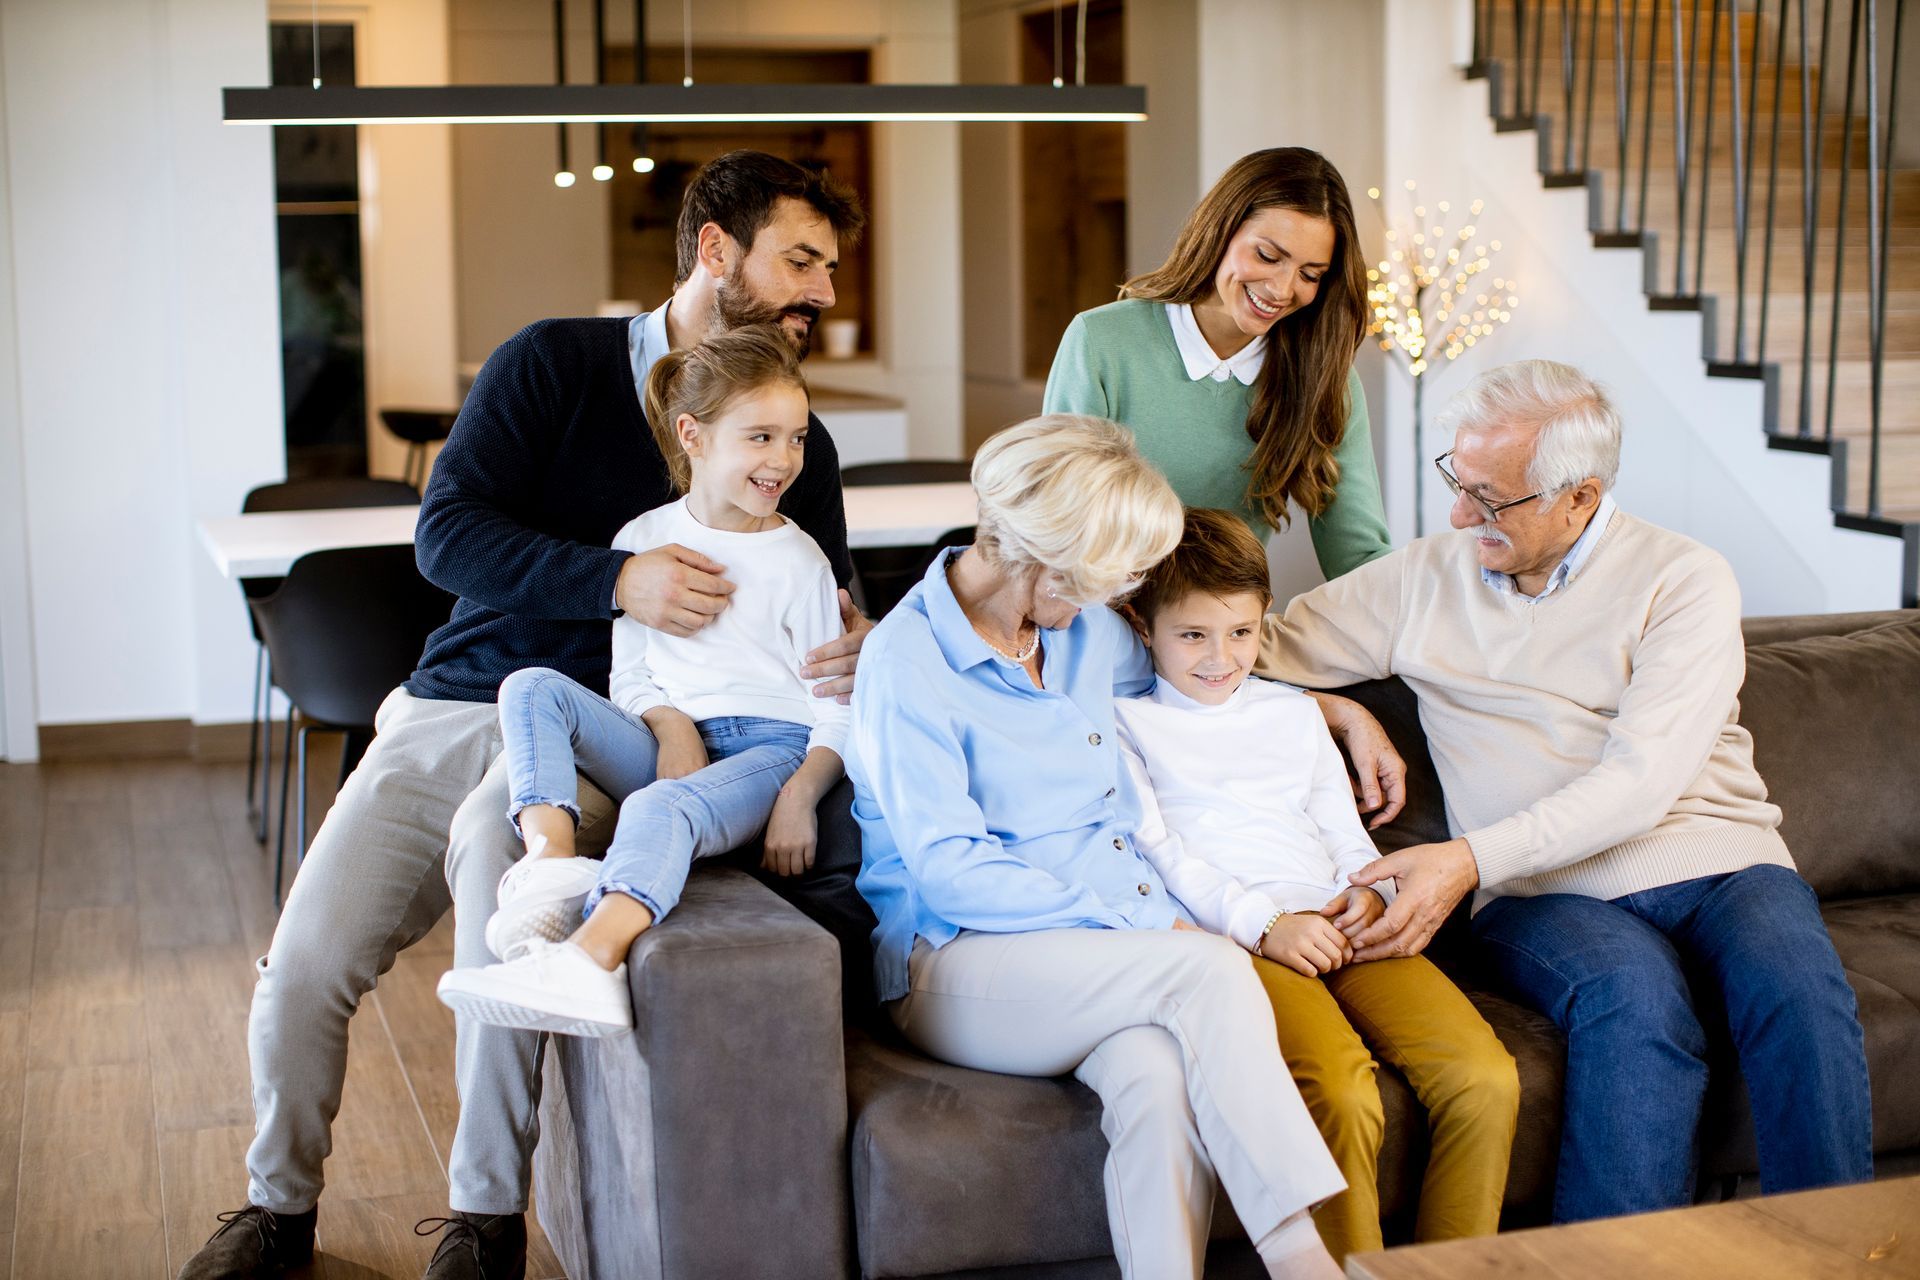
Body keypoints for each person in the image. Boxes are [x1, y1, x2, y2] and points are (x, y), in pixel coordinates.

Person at [179, 151, 871, 1280]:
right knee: (305, 959)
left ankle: (483, 1218)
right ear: (714, 251)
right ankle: (276, 1204)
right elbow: (444, 535)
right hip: (454, 698)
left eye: (830, 268)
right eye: (802, 261)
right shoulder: (554, 362)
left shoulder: (798, 441)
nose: (825, 293)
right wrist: (613, 580)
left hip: (619, 735)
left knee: (499, 877)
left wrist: (862, 640)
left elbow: (825, 603)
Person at [1257, 359, 1873, 1224]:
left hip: (1713, 856)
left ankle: (1842, 1249)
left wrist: (1466, 859)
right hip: (1542, 891)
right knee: (1635, 1001)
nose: (1460, 514)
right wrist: (1335, 709)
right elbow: (1232, 654)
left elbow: (1642, 783)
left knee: (1801, 991)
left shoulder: (1684, 578)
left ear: (1579, 498)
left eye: (1492, 498)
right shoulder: (1417, 579)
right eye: (1458, 482)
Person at [851, 414, 1361, 1280]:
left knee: (1158, 1079)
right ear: (1045, 558)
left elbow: (1205, 680)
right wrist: (1135, 928)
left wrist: (1339, 711)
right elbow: (951, 872)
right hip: (962, 962)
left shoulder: (1080, 629)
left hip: (1097, 962)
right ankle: (1302, 1257)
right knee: (1207, 969)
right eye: (1109, 574)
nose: (1119, 594)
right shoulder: (906, 665)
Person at [1113, 507, 1518, 1264]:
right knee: (1341, 1089)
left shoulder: (1295, 714)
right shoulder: (1128, 725)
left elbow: (1341, 829)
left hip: (1345, 914)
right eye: (1192, 636)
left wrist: (1368, 890)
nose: (1219, 657)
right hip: (1246, 939)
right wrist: (1267, 924)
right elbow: (1162, 857)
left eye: (1241, 633)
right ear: (1144, 628)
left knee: (1485, 1078)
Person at [437, 324, 848, 1035]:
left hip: (769, 752)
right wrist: (672, 726)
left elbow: (837, 703)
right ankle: (548, 867)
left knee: (657, 811)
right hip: (667, 741)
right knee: (531, 686)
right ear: (692, 435)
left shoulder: (800, 560)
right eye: (761, 437)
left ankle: (590, 964)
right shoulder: (643, 538)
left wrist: (800, 794)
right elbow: (629, 674)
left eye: (797, 438)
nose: (784, 459)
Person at [1043, 147, 1389, 579]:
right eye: (1267, 256)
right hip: (1102, 622)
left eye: (1310, 274)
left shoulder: (1325, 379)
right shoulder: (1101, 343)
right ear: (1220, 230)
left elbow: (1356, 556)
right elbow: (1060, 524)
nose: (1282, 289)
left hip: (1225, 636)